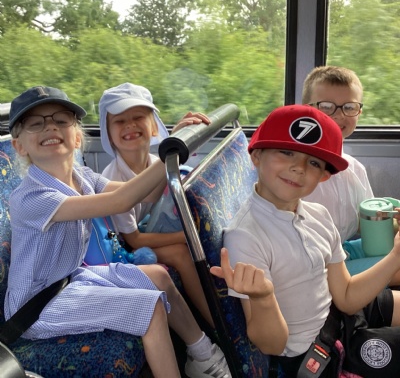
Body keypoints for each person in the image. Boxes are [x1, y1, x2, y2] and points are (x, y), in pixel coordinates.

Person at [5, 86, 231, 378]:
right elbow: (121, 201)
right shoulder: (31, 197)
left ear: (77, 137)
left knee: (159, 276)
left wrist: (171, 144)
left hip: (69, 279)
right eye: (36, 124)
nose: (50, 127)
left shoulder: (83, 177)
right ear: (20, 146)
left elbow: (145, 194)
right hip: (38, 304)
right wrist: (170, 152)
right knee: (150, 309)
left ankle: (202, 356)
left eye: (61, 120)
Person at [210, 104, 400, 377]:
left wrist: (396, 255)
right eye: (286, 152)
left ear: (323, 176)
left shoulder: (318, 215)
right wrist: (263, 298)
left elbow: (346, 296)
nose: (298, 167)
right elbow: (272, 345)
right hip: (315, 353)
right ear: (256, 155)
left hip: (338, 313)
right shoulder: (246, 237)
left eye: (313, 162)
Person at [99, 82, 214, 328]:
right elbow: (134, 240)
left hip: (144, 229)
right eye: (120, 121)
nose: (130, 125)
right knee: (181, 252)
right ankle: (216, 325)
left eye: (138, 117)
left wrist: (174, 141)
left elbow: (151, 195)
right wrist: (186, 235)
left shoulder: (155, 162)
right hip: (121, 248)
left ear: (154, 127)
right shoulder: (113, 179)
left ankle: (224, 306)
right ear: (108, 134)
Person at [302, 65, 373, 244]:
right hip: (308, 256)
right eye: (326, 106)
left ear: (359, 112)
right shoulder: (296, 170)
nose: (339, 115)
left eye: (349, 107)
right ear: (306, 110)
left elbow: (363, 223)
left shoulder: (356, 169)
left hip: (343, 249)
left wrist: (390, 221)